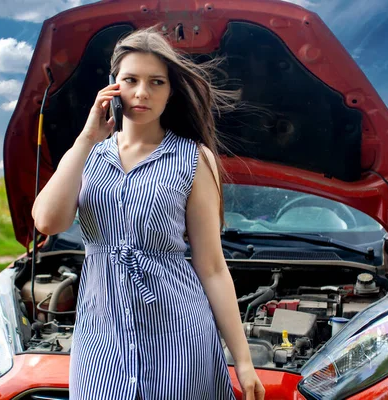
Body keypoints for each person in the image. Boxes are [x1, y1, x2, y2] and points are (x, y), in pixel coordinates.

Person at [32, 27, 265, 400]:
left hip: (178, 333)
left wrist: (244, 360)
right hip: (100, 334)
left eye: (157, 82)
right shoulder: (87, 155)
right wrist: (86, 138)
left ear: (171, 91)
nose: (142, 92)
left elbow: (212, 266)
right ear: (112, 86)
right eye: (131, 79)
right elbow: (47, 221)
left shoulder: (194, 159)